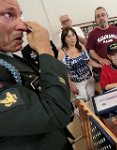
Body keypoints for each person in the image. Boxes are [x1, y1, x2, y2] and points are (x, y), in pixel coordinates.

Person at [0, 0, 72, 149]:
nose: (22, 26)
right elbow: (54, 112)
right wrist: (45, 50)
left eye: (20, 16)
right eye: (8, 14)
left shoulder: (7, 58)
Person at [58, 27, 101, 101]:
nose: (72, 38)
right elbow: (61, 71)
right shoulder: (62, 52)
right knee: (84, 102)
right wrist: (70, 84)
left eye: (73, 35)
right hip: (77, 83)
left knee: (93, 100)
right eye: (69, 36)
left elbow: (88, 61)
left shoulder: (81, 47)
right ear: (64, 39)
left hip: (89, 79)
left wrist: (100, 65)